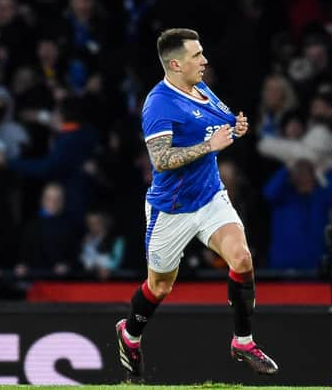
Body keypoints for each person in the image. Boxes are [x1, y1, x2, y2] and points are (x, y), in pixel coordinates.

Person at [115, 28, 278, 380]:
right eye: (196, 56)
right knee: (160, 287)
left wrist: (236, 128)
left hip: (209, 197)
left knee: (242, 258)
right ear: (175, 64)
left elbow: (217, 124)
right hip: (171, 209)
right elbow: (159, 160)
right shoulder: (158, 103)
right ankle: (130, 334)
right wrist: (210, 146)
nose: (204, 60)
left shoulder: (199, 87)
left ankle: (243, 341)